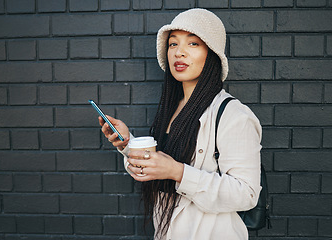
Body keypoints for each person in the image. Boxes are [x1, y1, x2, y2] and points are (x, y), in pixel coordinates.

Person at [99, 8, 262, 240]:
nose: (179, 53)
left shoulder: (233, 115)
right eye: (173, 44)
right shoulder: (172, 107)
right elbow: (160, 169)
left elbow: (246, 194)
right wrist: (128, 145)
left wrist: (178, 172)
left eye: (193, 44)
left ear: (212, 53)